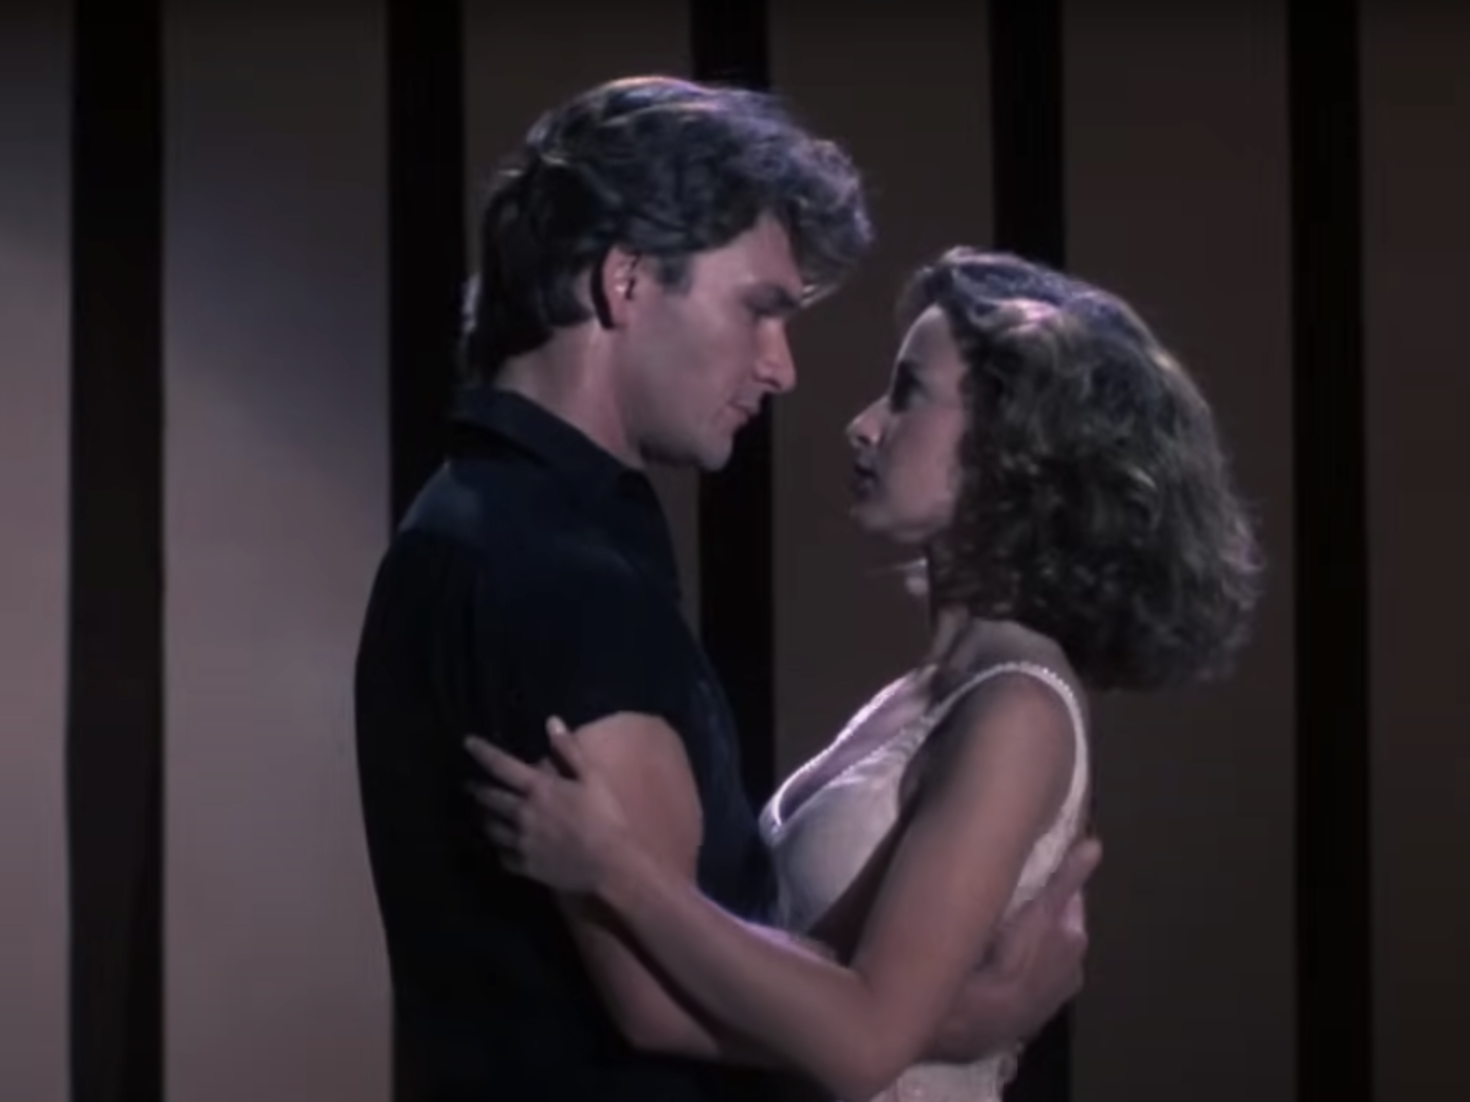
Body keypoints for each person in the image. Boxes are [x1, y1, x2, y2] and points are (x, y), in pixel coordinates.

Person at [353, 78, 1094, 1102]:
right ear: (624, 281)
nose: (782, 369)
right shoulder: (558, 573)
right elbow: (659, 1001)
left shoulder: (490, 523)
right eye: (759, 309)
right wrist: (973, 1016)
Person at [464, 247, 1265, 1101]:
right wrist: (967, 1016)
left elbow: (862, 1043)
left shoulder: (1019, 711)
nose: (863, 424)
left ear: (1015, 448)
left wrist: (617, 868)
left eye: (908, 393)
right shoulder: (929, 693)